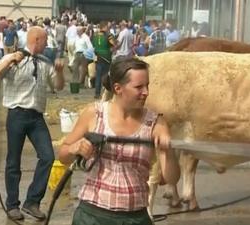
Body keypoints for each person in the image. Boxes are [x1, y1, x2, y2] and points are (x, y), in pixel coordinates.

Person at [58, 58, 180, 225]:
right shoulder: (94, 114)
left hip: (135, 218)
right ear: (118, 88)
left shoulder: (156, 123)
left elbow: (172, 179)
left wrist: (169, 150)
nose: (146, 92)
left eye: (147, 85)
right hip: (91, 216)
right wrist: (75, 148)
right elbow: (63, 155)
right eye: (139, 87)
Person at [0, 26, 65, 221]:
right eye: (45, 40)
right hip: (17, 115)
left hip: (36, 117)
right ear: (36, 39)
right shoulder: (14, 58)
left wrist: (60, 72)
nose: (47, 44)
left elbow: (58, 86)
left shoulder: (45, 62)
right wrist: (9, 62)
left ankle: (32, 202)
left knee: (47, 157)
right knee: (13, 161)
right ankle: (12, 205)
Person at [92, 21, 115, 99]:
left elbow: (94, 45)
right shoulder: (108, 35)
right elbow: (113, 44)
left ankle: (97, 93)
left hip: (98, 57)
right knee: (105, 76)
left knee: (98, 76)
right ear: (105, 27)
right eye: (107, 27)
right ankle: (105, 93)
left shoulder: (95, 35)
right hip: (106, 58)